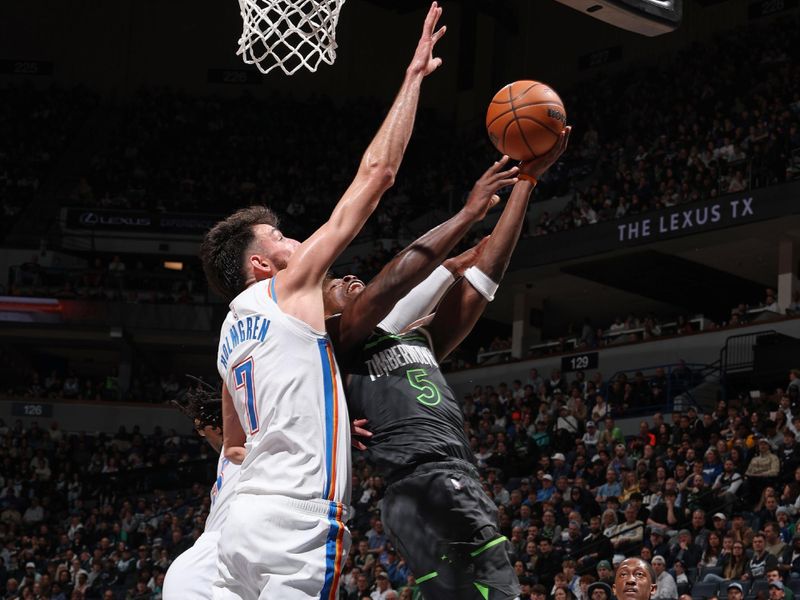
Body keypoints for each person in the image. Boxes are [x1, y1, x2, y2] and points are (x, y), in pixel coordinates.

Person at [200, 5, 448, 599]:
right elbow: (378, 173)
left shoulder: (229, 336)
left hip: (237, 522)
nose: (296, 241)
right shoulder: (289, 286)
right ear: (261, 264)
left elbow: (236, 443)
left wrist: (324, 411)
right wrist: (413, 77)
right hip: (295, 518)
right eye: (281, 238)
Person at [322, 132, 570, 597]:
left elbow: (486, 271)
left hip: (423, 492)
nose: (351, 278)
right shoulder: (338, 340)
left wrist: (528, 183)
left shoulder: (420, 337)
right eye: (337, 283)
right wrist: (470, 212)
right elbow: (396, 276)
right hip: (434, 477)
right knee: (501, 591)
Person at [162, 383, 240, 600]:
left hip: (209, 563)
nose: (201, 436)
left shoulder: (234, 448)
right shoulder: (230, 455)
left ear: (215, 427)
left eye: (201, 430)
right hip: (211, 562)